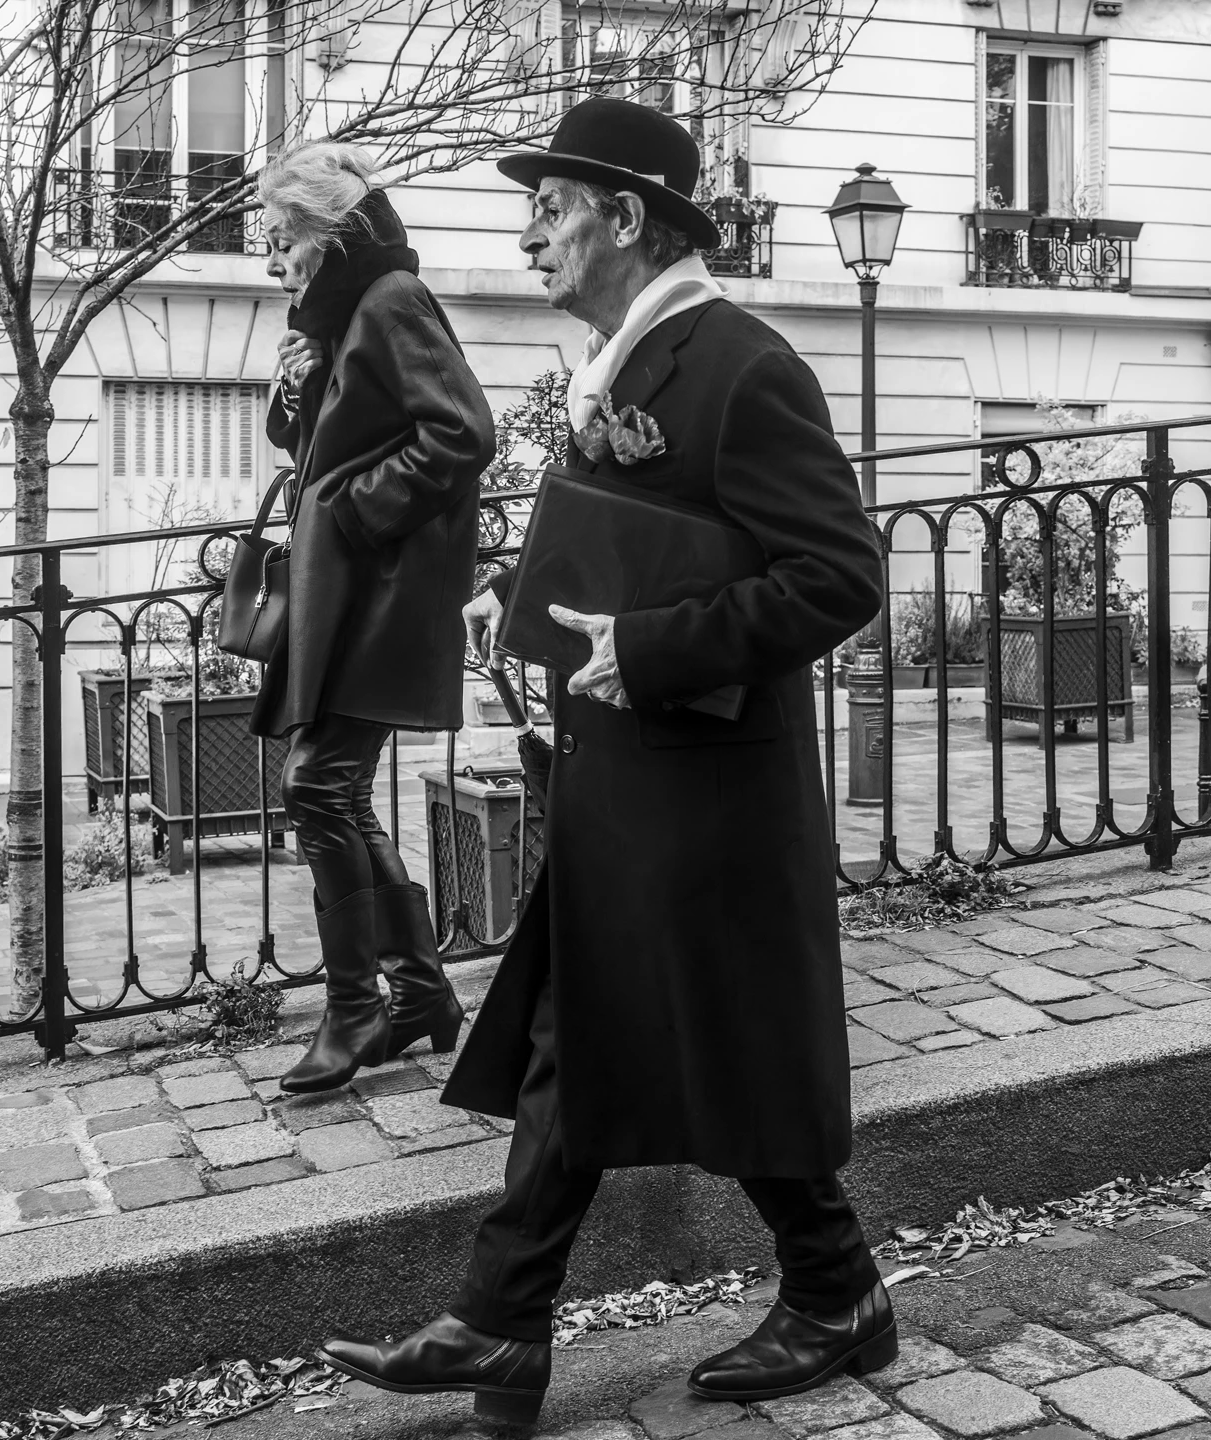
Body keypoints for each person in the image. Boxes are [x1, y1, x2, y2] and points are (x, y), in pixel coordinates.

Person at [317, 98, 891, 1425]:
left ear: (627, 219)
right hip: (625, 778)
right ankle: (506, 1323)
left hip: (708, 786)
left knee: (716, 1041)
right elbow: (648, 538)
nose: (529, 234)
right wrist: (523, 599)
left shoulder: (742, 366)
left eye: (552, 208)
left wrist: (650, 648)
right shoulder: (627, 364)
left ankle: (827, 1291)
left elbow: (838, 577)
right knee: (582, 1038)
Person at [248, 142, 497, 1096]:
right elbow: (329, 441)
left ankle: (357, 1005)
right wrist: (294, 391)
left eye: (281, 238)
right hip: (349, 595)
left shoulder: (392, 302)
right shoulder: (346, 318)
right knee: (333, 791)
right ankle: (421, 996)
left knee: (317, 786)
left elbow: (463, 431)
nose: (274, 259)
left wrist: (356, 516)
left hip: (380, 595)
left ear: (322, 232)